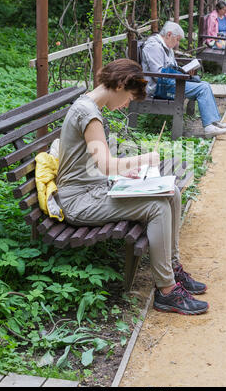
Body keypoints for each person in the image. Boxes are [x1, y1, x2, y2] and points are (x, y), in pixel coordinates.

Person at [55, 58, 209, 316]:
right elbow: (104, 164)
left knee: (171, 193)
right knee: (156, 207)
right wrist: (144, 159)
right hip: (80, 201)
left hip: (96, 190)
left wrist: (129, 172)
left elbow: (97, 165)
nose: (127, 104)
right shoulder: (89, 114)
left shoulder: (89, 107)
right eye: (128, 97)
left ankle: (173, 267)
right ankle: (167, 291)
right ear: (120, 85)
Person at [141, 21, 226, 138]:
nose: (177, 43)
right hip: (157, 88)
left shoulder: (166, 46)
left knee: (204, 84)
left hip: (170, 83)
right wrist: (180, 76)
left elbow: (170, 68)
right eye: (177, 39)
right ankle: (208, 128)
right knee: (202, 88)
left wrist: (184, 72)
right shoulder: (154, 46)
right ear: (168, 35)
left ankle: (212, 122)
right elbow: (158, 76)